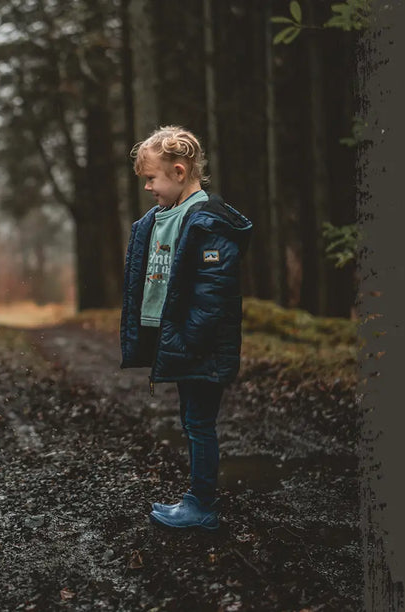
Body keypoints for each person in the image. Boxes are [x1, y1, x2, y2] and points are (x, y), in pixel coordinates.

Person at [121, 126, 254, 530]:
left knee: (198, 423)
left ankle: (202, 505)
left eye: (152, 178)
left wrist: (191, 341)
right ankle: (198, 499)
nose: (147, 187)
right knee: (192, 420)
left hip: (200, 346)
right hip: (178, 343)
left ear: (179, 172)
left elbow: (213, 295)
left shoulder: (207, 222)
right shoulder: (161, 217)